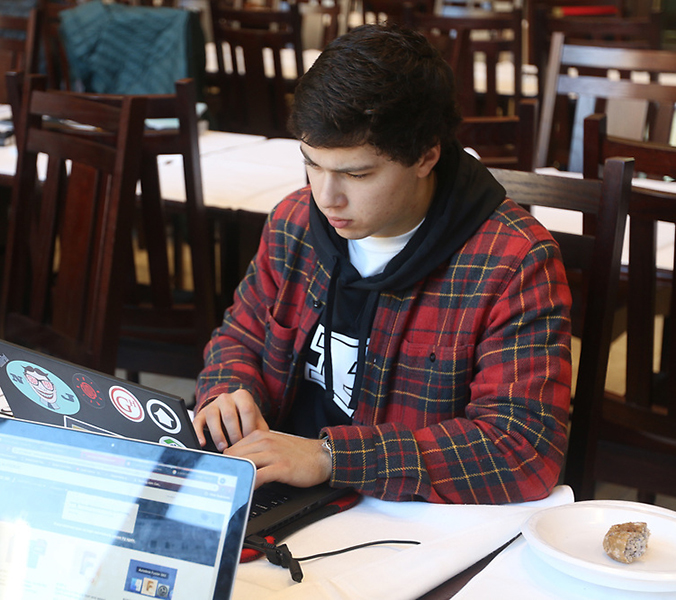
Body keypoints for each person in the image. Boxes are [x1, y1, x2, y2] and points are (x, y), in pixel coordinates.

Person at [191, 23, 572, 504]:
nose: (326, 197)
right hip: (278, 496)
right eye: (311, 163)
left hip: (401, 522)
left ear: (426, 156)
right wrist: (229, 393)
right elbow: (239, 337)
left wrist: (331, 457)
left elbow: (523, 451)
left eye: (357, 173)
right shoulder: (295, 221)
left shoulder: (512, 260)